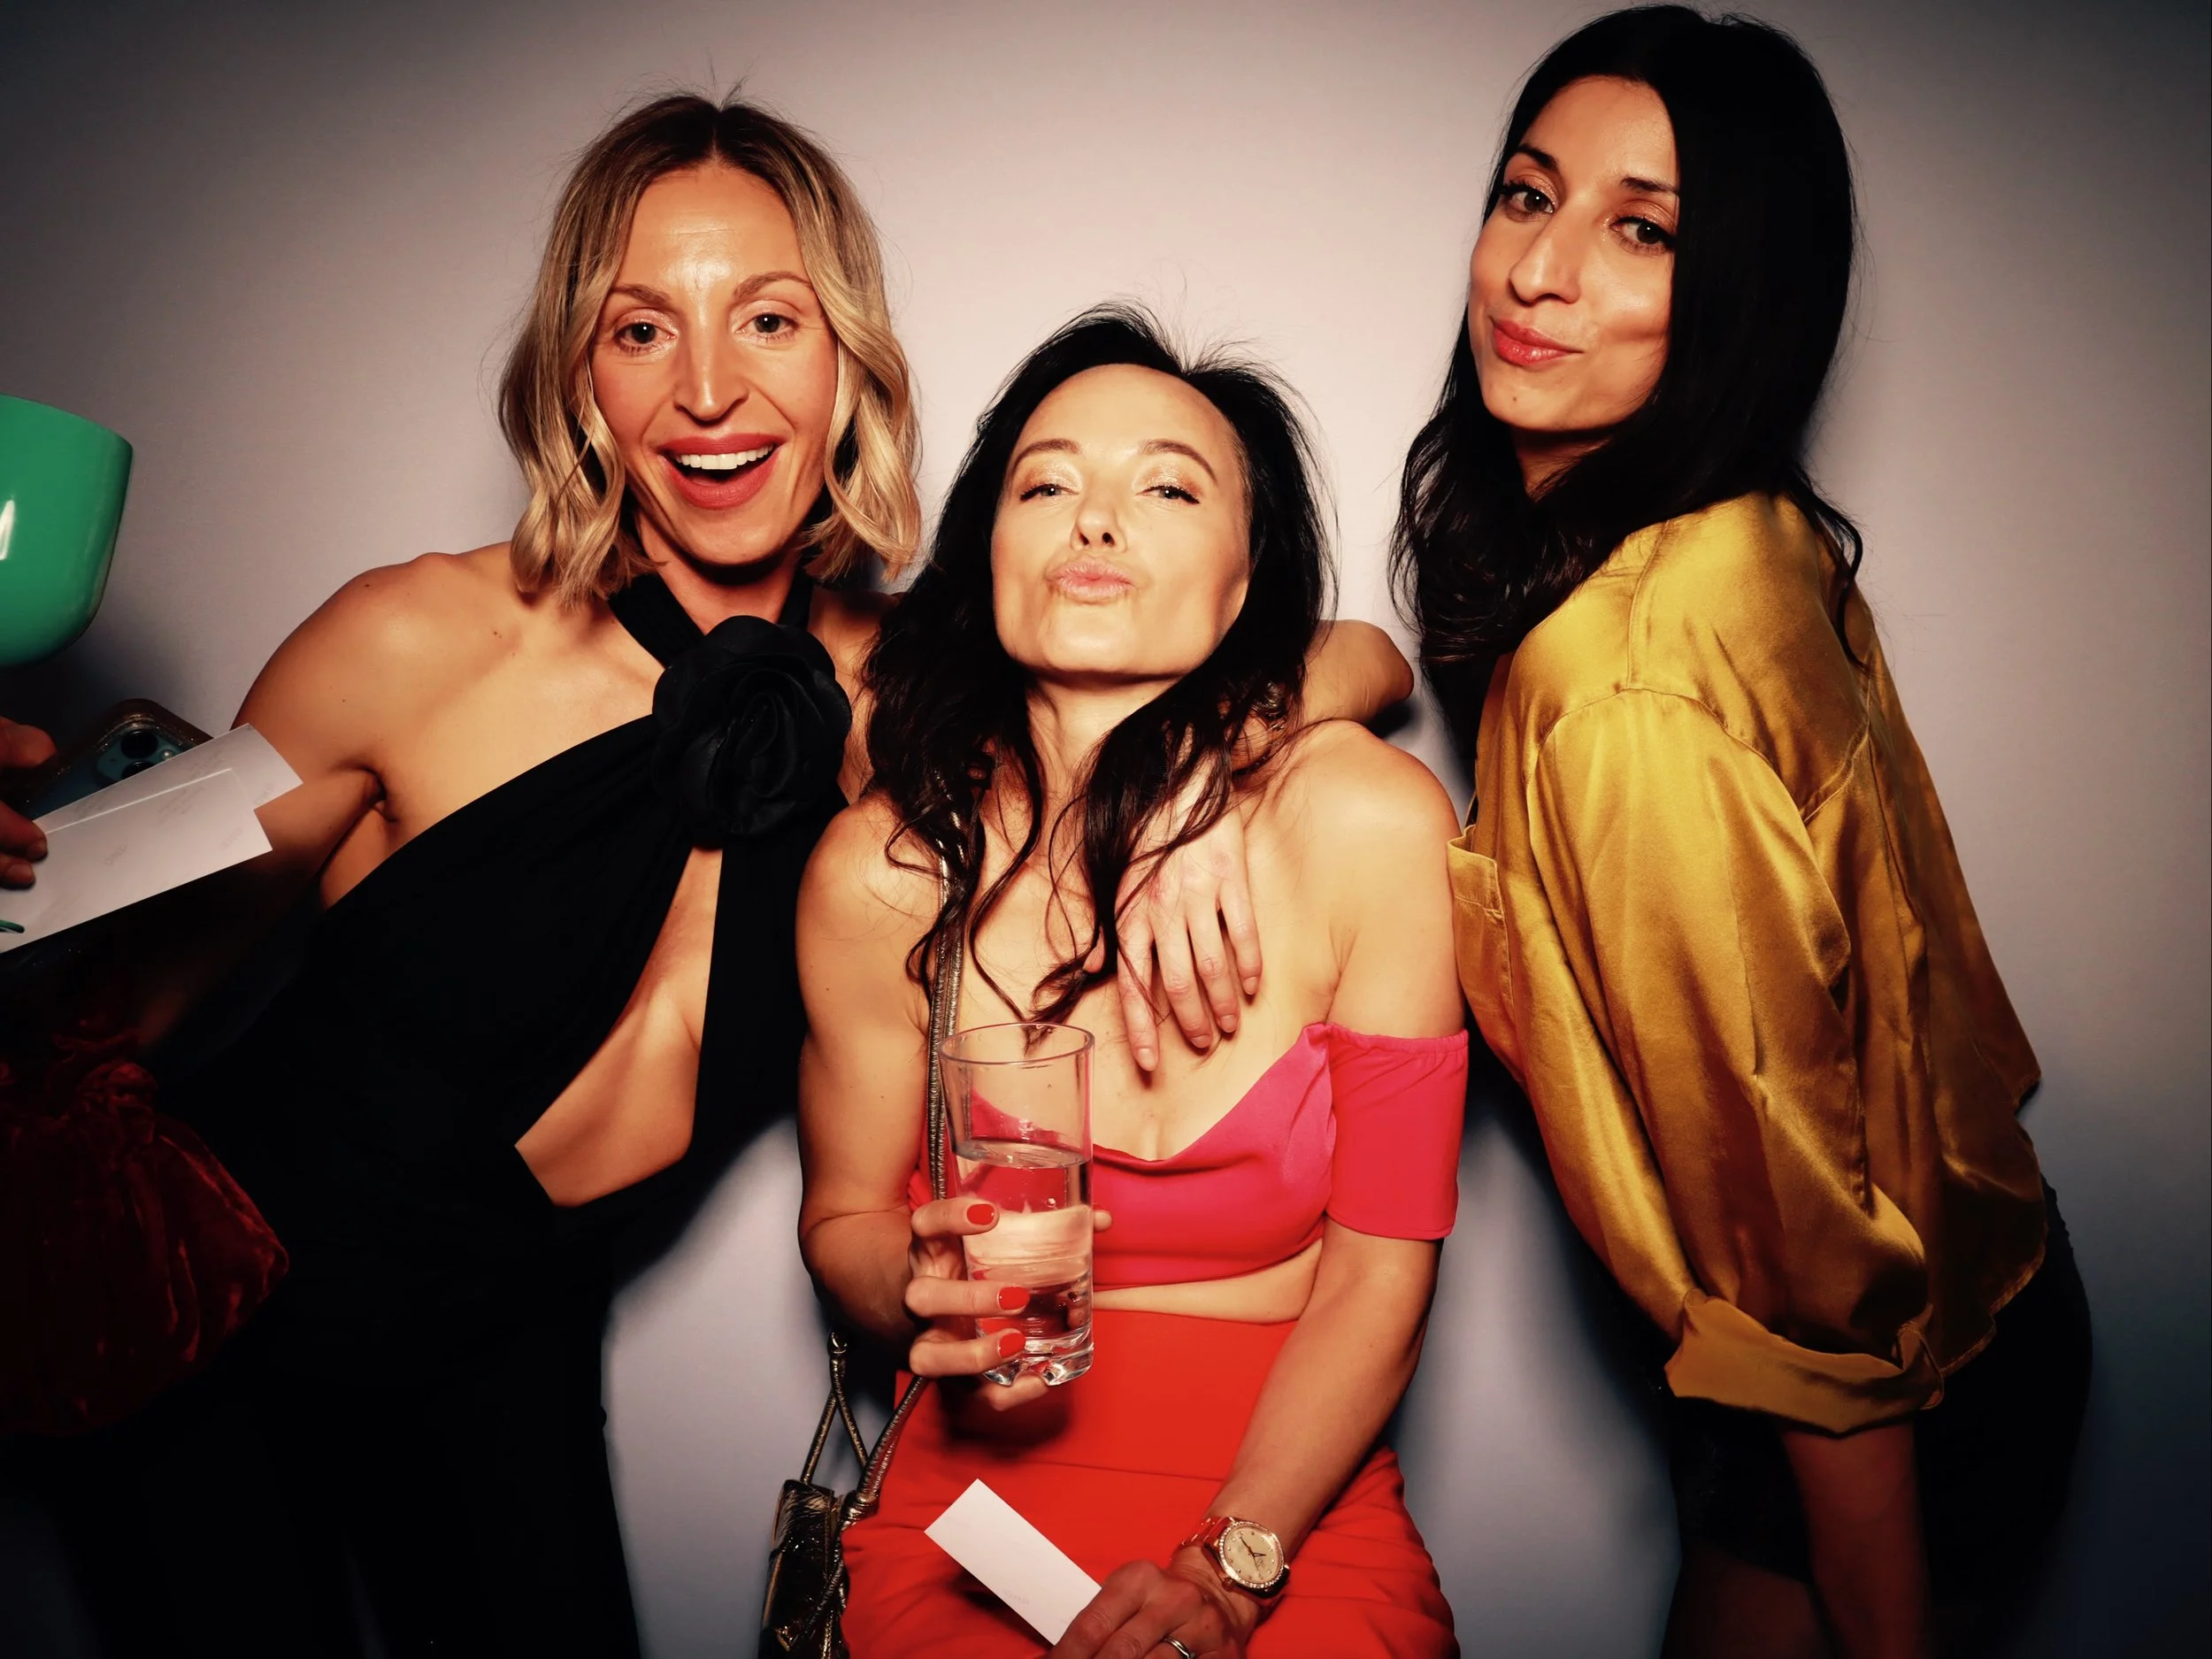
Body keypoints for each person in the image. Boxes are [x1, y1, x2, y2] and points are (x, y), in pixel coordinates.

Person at [0, 96, 1409, 1657]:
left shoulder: (912, 695)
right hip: (222, 1325)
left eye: (769, 318)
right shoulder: (405, 643)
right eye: (639, 329)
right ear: (576, 380)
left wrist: (1221, 757)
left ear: (847, 361)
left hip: (503, 1344)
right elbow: (96, 1020)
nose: (713, 390)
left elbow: (1345, 648)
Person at [1393, 11, 2092, 1658]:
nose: (1539, 272)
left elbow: (1800, 1266)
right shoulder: (1749, 535)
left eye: (1642, 229)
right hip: (1960, 1303)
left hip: (1870, 1411)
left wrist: (1881, 1613)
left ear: (1740, 294)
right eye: (1526, 195)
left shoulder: (1626, 687)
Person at [798, 306, 1468, 1659]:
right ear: (990, 553)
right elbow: (844, 1218)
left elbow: (1380, 1273)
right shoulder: (883, 873)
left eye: (1167, 485)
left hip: (1293, 1501)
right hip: (978, 1498)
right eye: (1047, 484)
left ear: (1245, 578)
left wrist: (1232, 1568)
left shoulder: (1372, 829)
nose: (1096, 520)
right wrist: (909, 1279)